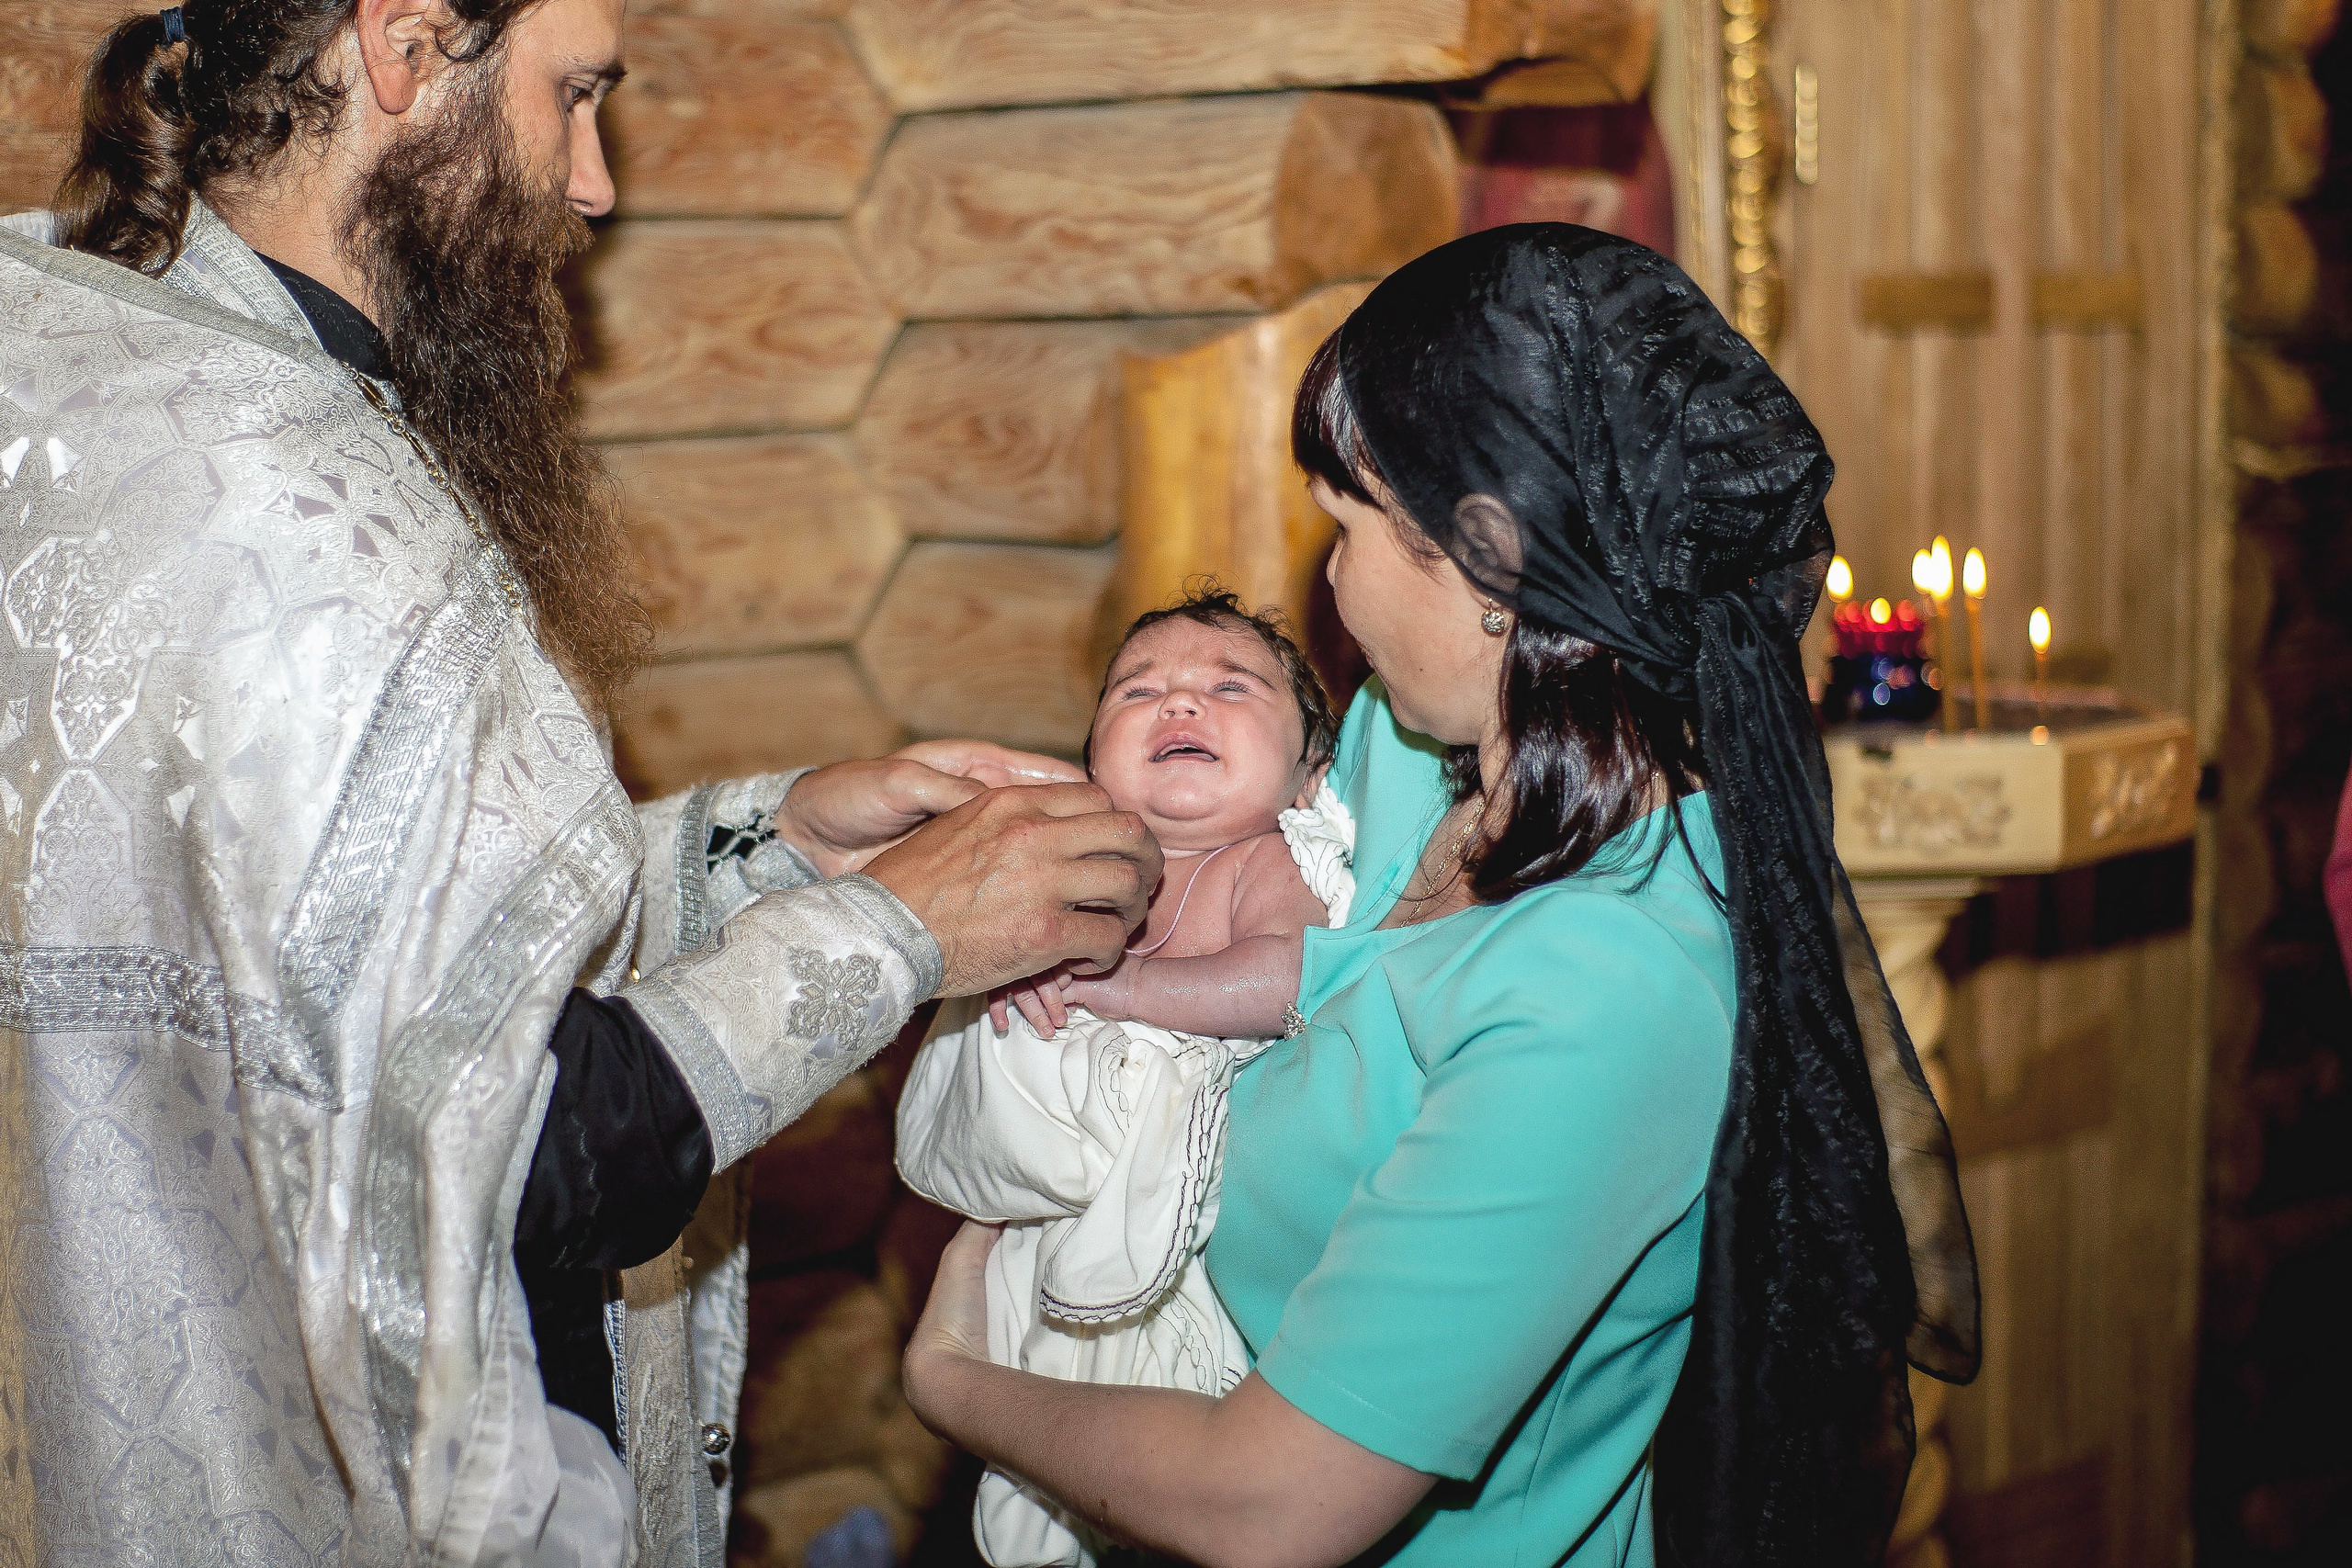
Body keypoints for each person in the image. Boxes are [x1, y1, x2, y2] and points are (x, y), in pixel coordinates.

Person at [0, 4, 1160, 1566]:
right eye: (574, 94)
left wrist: (763, 844)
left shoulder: (98, 389)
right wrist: (893, 932)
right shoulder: (312, 525)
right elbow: (513, 1148)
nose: (596, 181)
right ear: (405, 47)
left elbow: (336, 956)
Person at [901, 224, 1980, 1568]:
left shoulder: (1612, 986)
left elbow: (1271, 1504)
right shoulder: (1401, 759)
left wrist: (955, 1381)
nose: (1330, 579)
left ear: (1490, 561)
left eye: (1344, 526)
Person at [896, 591, 1348, 1568]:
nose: (1179, 703)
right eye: (1138, 692)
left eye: (1231, 687)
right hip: (1046, 1228)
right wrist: (1014, 979)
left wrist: (1127, 987)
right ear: (1094, 767)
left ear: (1310, 775)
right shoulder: (1075, 866)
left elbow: (1288, 979)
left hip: (1187, 1236)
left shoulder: (1261, 862)